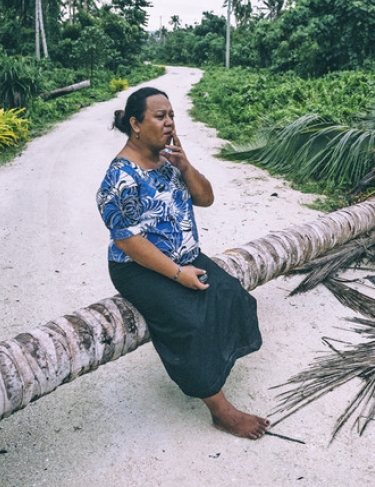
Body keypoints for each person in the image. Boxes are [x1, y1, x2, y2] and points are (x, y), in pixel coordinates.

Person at [96, 86, 270, 440]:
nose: (169, 123)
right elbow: (127, 240)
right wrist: (178, 274)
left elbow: (205, 198)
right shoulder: (120, 177)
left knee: (232, 295)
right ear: (136, 124)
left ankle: (214, 368)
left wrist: (186, 165)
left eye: (171, 115)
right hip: (139, 267)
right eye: (160, 116)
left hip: (185, 254)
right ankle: (220, 411)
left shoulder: (169, 161)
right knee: (188, 321)